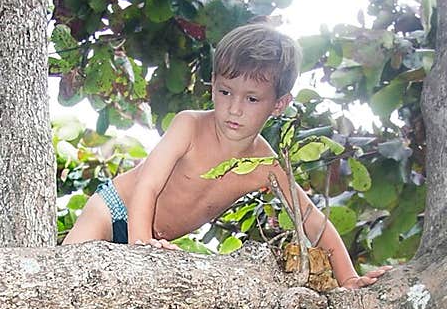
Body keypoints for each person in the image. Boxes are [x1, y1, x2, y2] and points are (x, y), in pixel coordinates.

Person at [62, 22, 387, 289]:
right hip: (113, 212)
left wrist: (348, 278)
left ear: (279, 104)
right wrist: (140, 243)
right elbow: (147, 184)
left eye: (252, 99)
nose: (234, 108)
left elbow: (313, 222)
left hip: (154, 242)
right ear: (213, 84)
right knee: (66, 282)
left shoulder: (265, 166)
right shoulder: (188, 126)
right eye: (226, 92)